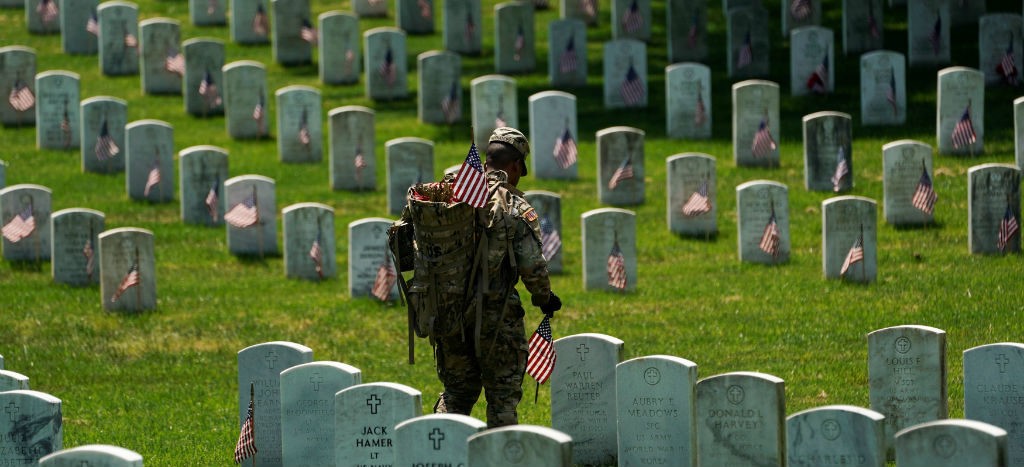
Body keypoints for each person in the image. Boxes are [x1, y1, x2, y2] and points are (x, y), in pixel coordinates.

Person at [432, 127, 562, 427]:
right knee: (502, 398)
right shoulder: (514, 206)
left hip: (448, 314)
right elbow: (532, 266)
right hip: (496, 318)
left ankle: (437, 453)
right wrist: (545, 299)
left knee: (456, 394)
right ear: (515, 166)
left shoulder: (452, 196)